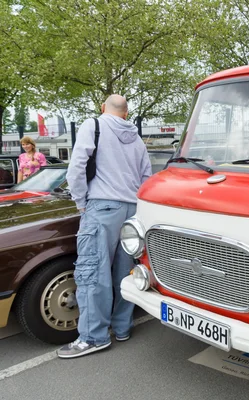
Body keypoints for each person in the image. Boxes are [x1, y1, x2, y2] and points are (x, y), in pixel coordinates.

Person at [58, 94, 152, 359]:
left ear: (103, 108)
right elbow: (146, 178)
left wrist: (81, 203)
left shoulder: (94, 125)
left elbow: (76, 167)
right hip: (132, 209)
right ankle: (122, 327)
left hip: (102, 206)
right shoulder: (136, 139)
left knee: (92, 272)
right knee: (125, 271)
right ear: (126, 112)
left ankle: (93, 337)